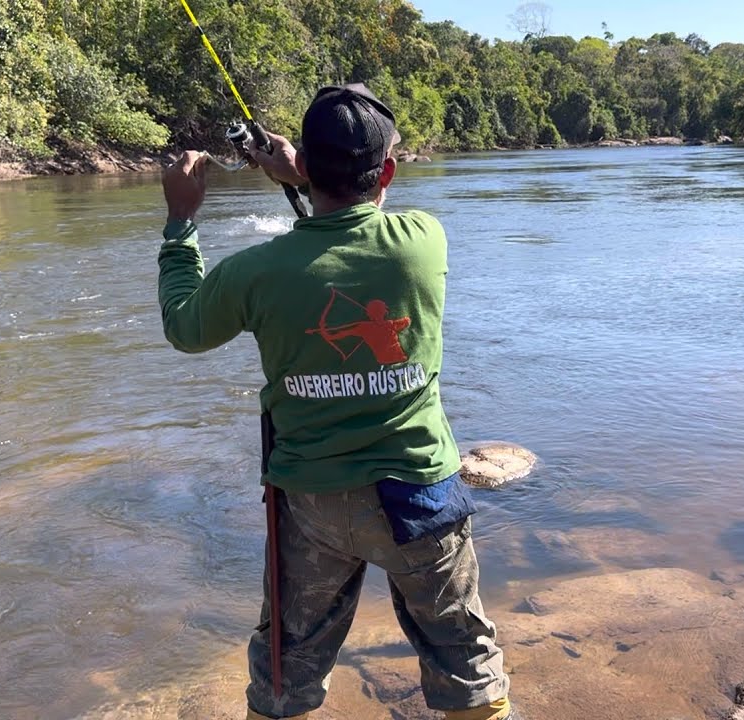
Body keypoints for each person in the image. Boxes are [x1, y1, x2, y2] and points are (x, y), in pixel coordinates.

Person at [156, 84, 515, 720]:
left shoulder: (256, 270)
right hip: (418, 496)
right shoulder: (423, 240)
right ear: (388, 172)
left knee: (286, 668)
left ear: (311, 167)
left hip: (311, 502)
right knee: (465, 660)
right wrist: (301, 174)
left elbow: (184, 327)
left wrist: (182, 220)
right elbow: (356, 219)